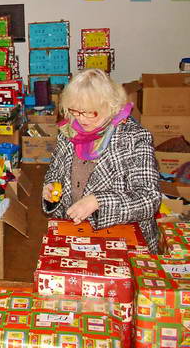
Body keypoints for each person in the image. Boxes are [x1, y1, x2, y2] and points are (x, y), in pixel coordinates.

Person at [42, 69, 161, 253]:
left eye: (90, 112)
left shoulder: (133, 138)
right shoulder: (68, 133)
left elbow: (149, 198)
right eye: (75, 110)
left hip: (122, 240)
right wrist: (50, 188)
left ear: (109, 105)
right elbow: (54, 172)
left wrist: (98, 201)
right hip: (75, 233)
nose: (81, 118)